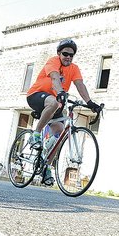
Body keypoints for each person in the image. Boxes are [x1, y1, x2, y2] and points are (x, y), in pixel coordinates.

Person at [25, 39, 103, 185]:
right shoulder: (53, 61)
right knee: (54, 102)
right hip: (36, 95)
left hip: (55, 102)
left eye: (71, 55)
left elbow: (80, 84)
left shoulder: (74, 68)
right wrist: (60, 91)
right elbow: (55, 78)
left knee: (59, 134)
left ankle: (46, 167)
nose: (68, 57)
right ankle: (35, 135)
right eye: (65, 54)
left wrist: (90, 103)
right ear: (59, 54)